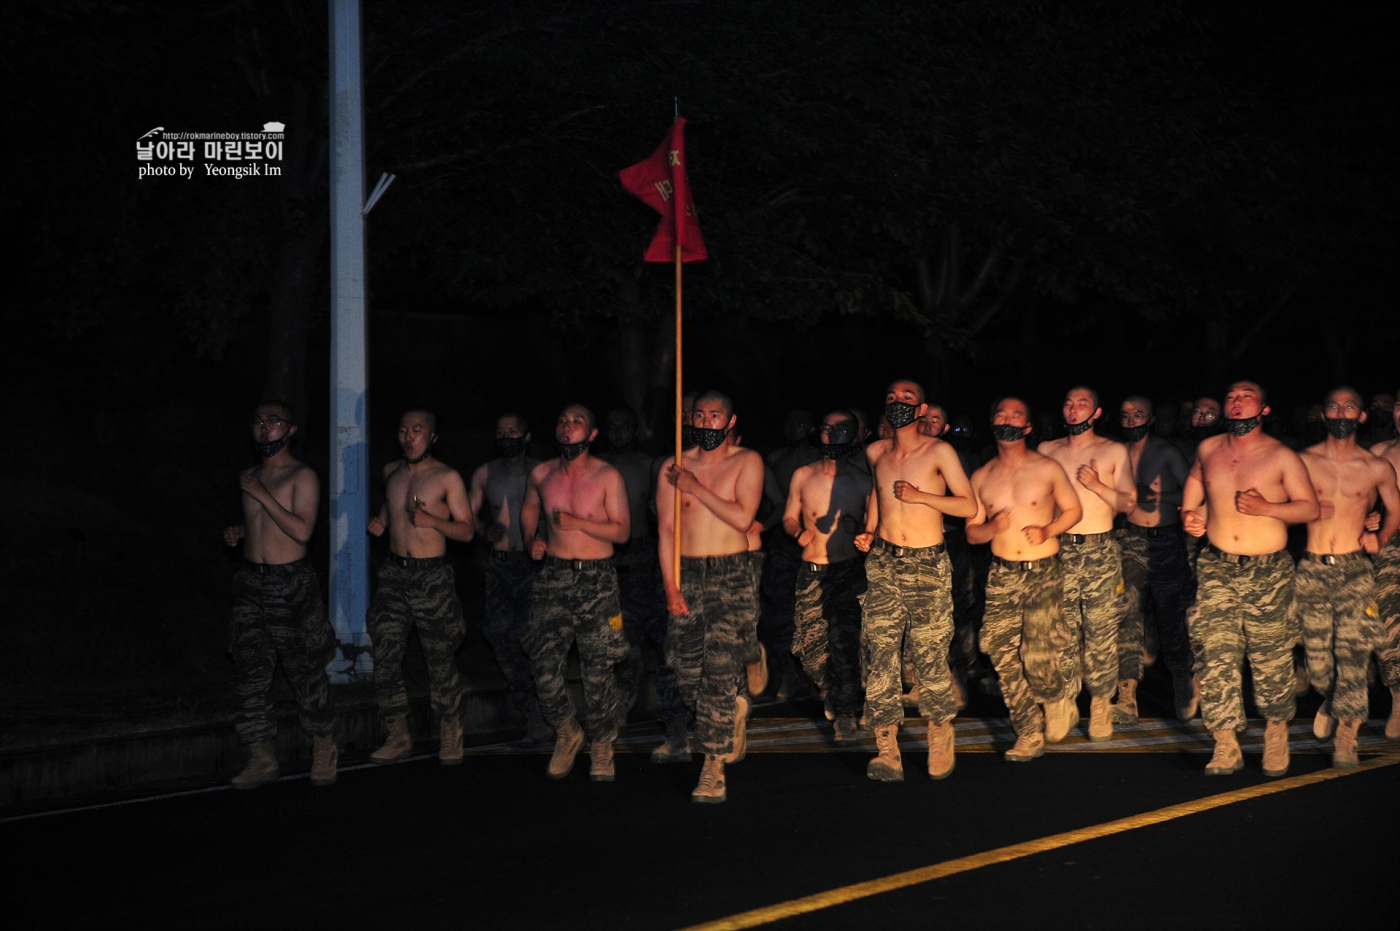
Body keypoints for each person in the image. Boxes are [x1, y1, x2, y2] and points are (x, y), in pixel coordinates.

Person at [1182, 381, 1319, 777]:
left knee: (1270, 657)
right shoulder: (1208, 449)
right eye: (1231, 397)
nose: (1237, 402)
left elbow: (1308, 508)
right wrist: (1192, 515)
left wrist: (1267, 507)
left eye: (1246, 397)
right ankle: (1225, 743)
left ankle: (1276, 732)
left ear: (1263, 409)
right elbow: (1196, 486)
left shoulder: (1280, 455)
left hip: (1268, 571)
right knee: (1216, 653)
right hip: (1217, 566)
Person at [856, 381, 976, 781]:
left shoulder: (938, 451)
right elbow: (877, 496)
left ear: (922, 409)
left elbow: (968, 505)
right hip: (885, 562)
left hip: (928, 563)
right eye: (891, 398)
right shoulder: (876, 452)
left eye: (907, 399)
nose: (898, 404)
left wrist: (922, 496)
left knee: (928, 654)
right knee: (880, 654)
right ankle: (886, 749)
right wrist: (870, 531)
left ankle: (940, 726)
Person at [223, 401, 337, 789]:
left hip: (290, 584)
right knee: (250, 672)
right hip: (251, 583)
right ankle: (261, 756)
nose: (264, 428)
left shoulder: (302, 476)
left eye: (273, 422)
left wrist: (261, 495)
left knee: (304, 670)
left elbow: (302, 531)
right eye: (258, 421)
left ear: (290, 430)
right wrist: (240, 532)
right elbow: (261, 523)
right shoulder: (250, 474)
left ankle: (324, 745)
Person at [657, 389, 764, 803]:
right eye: (699, 415)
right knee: (687, 675)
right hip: (688, 574)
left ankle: (713, 765)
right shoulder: (674, 466)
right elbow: (667, 530)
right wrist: (671, 587)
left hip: (732, 572)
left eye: (715, 415)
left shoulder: (746, 461)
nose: (705, 423)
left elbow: (742, 516)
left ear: (731, 421)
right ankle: (734, 704)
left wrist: (696, 488)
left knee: (718, 669)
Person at [967, 398, 1083, 762]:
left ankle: (1057, 693)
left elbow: (1074, 510)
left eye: (1016, 414)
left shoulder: (1046, 468)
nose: (1007, 420)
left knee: (1037, 656)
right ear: (992, 422)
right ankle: (1028, 731)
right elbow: (972, 534)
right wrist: (991, 527)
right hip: (1002, 573)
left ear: (1028, 427)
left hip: (1043, 572)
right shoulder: (982, 476)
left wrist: (1048, 529)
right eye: (1000, 413)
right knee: (1000, 652)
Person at [520, 405, 631, 781]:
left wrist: (577, 523)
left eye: (577, 421)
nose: (568, 427)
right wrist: (533, 540)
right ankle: (567, 731)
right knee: (542, 662)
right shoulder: (541, 473)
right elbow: (530, 510)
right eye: (562, 420)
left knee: (597, 669)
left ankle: (602, 744)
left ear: (593, 434)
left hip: (595, 579)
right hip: (553, 576)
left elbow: (622, 532)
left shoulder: (607, 475)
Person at [1296, 387, 1400, 767]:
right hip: (1312, 567)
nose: (1342, 412)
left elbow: (1393, 510)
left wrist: (1381, 534)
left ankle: (1347, 736)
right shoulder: (1302, 461)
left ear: (1362, 416)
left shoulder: (1375, 467)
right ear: (1323, 415)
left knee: (1354, 653)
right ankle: (1334, 696)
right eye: (1334, 406)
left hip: (1355, 567)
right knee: (1319, 661)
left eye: (1350, 406)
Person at [366, 410, 476, 766]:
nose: (409, 437)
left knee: (440, 657)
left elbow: (467, 531)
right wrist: (382, 519)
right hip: (395, 574)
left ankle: (450, 730)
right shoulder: (391, 473)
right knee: (384, 652)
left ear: (432, 437)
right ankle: (397, 734)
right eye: (403, 431)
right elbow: (391, 503)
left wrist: (432, 520)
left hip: (432, 576)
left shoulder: (447, 477)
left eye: (417, 431)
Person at [1038, 387, 1135, 742]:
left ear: (1096, 413)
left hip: (1099, 549)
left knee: (1100, 633)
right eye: (1068, 403)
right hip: (1059, 549)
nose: (1074, 409)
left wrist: (1097, 486)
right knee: (1060, 631)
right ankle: (1064, 700)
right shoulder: (1048, 451)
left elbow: (1129, 503)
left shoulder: (1112, 450)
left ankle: (1099, 702)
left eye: (1082, 404)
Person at [784, 410, 872, 743]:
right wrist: (798, 533)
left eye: (841, 431)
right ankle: (838, 691)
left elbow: (875, 526)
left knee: (844, 644)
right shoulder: (802, 475)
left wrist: (863, 531)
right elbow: (789, 516)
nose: (832, 437)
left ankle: (846, 714)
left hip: (847, 569)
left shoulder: (862, 480)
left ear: (853, 436)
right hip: (811, 570)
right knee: (809, 649)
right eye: (826, 430)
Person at [467, 413, 551, 743]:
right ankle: (532, 708)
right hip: (500, 565)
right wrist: (484, 529)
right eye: (500, 431)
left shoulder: (544, 471)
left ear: (527, 436)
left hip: (534, 565)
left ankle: (549, 708)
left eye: (512, 431)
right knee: (501, 638)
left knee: (536, 638)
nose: (506, 437)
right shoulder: (485, 473)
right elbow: (466, 516)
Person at [1116, 395, 1197, 722]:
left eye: (1139, 415)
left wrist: (1156, 495)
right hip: (1130, 539)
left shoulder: (1165, 451)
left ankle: (1181, 677)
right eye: (1126, 416)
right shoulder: (1116, 453)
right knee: (1127, 614)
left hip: (1165, 541)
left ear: (1149, 419)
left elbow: (1191, 491)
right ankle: (1127, 694)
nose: (1132, 420)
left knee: (1169, 615)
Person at [762, 408, 821, 700]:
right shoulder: (775, 460)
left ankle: (816, 676)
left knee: (815, 611)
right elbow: (773, 505)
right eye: (790, 424)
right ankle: (788, 673)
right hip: (784, 543)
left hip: (816, 543)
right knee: (782, 611)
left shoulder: (819, 461)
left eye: (801, 424)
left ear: (811, 428)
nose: (795, 429)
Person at [1371, 389, 1400, 738]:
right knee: (1388, 620)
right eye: (1398, 405)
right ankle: (1397, 696)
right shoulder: (1379, 455)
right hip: (1391, 544)